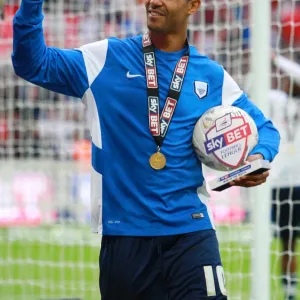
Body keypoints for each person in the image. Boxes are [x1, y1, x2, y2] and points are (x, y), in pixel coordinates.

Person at [12, 0, 280, 299]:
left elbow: (266, 130)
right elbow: (32, 63)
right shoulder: (105, 58)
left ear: (193, 5)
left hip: (191, 232)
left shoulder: (211, 75)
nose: (154, 1)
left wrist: (258, 158)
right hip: (125, 238)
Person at [270, 55, 300, 300]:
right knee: (287, 241)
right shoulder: (277, 101)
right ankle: (289, 291)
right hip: (282, 183)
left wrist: (278, 58)